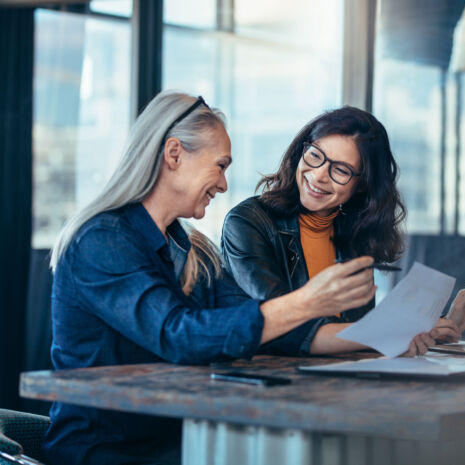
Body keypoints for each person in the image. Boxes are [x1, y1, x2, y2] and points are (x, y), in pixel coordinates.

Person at [43, 92, 378, 465]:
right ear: (174, 154)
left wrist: (387, 337)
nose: (223, 184)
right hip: (106, 452)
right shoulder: (101, 241)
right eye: (220, 165)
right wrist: (307, 301)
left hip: (179, 442)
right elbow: (178, 335)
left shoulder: (193, 249)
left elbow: (264, 323)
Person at [221, 106, 465, 356]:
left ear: (361, 185)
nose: (318, 175)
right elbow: (280, 322)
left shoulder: (355, 234)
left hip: (338, 381)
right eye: (314, 155)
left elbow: (359, 334)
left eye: (340, 170)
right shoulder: (248, 221)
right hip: (271, 383)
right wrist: (389, 334)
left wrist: (440, 326)